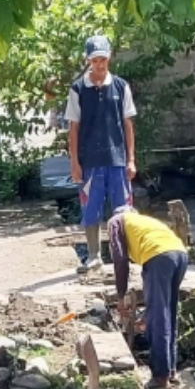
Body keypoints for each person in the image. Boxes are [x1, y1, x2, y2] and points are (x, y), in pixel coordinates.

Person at [65, 35, 137, 273]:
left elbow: (127, 124)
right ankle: (94, 256)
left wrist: (131, 159)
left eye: (103, 59)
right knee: (91, 209)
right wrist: (74, 162)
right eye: (95, 60)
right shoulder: (78, 89)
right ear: (88, 60)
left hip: (117, 160)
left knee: (123, 209)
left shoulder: (120, 86)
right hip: (90, 162)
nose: (100, 64)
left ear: (109, 58)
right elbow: (73, 128)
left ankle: (125, 256)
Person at [108, 207, 189, 389]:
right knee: (168, 313)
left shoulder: (116, 221)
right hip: (180, 255)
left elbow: (120, 260)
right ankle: (171, 373)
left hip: (159, 256)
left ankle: (160, 378)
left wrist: (121, 295)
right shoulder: (145, 223)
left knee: (158, 319)